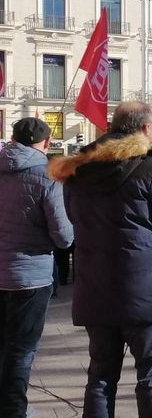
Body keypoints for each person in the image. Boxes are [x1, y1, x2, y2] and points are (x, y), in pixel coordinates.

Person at [48, 102, 152, 417]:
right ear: (144, 129)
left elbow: (74, 218)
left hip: (95, 286)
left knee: (100, 375)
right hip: (146, 290)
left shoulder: (79, 171)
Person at [0, 117, 74, 417]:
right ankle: (14, 412)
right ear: (45, 143)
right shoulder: (47, 176)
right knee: (20, 349)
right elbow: (64, 236)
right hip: (28, 278)